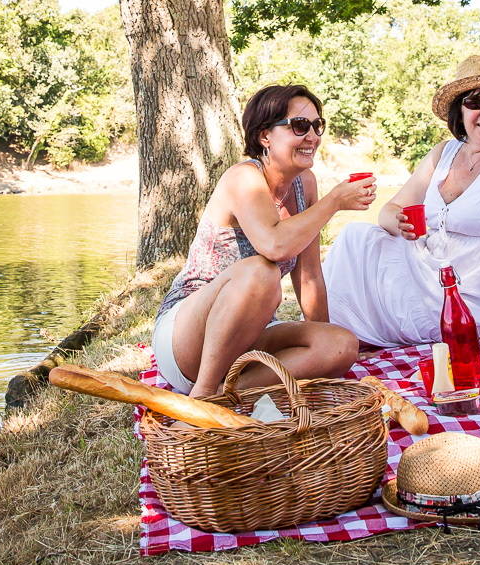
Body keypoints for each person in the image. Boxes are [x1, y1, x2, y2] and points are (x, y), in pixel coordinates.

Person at [323, 55, 480, 348]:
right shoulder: (444, 153)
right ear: (459, 112)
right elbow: (389, 211)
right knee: (354, 237)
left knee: (360, 255)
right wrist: (400, 225)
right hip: (430, 274)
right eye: (475, 103)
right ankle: (330, 339)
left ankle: (345, 340)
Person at [150, 84, 370, 398]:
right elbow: (274, 245)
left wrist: (322, 339)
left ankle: (229, 392)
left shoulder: (304, 185)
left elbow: (308, 277)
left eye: (317, 125)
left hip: (251, 334)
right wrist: (335, 202)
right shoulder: (243, 178)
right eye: (299, 125)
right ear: (265, 136)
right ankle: (203, 394)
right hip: (188, 335)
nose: (313, 136)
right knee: (261, 272)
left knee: (341, 344)